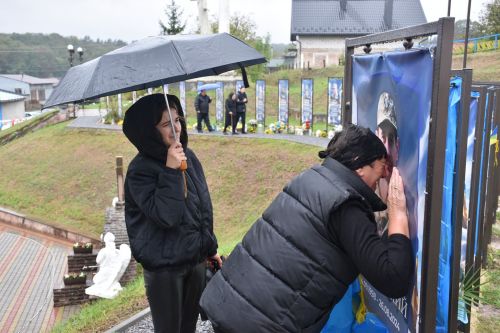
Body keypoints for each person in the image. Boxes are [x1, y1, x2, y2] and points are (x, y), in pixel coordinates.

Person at [200, 124, 414, 333]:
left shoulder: (311, 178)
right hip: (262, 323)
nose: (382, 179)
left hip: (229, 304)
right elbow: (393, 278)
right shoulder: (346, 205)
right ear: (358, 163)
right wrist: (397, 213)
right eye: (380, 169)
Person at [122, 94, 222, 333]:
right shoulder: (140, 171)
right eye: (167, 124)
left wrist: (210, 249)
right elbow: (166, 216)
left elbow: (202, 209)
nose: (176, 128)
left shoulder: (189, 157)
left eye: (177, 120)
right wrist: (170, 170)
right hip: (165, 269)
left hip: (194, 260)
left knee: (188, 328)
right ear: (149, 130)